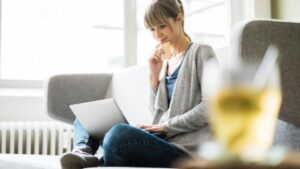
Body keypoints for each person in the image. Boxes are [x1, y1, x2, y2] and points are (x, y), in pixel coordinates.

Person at [60, 0, 216, 168]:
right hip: (162, 138)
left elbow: (211, 107)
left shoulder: (201, 52)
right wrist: (154, 76)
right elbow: (157, 114)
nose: (157, 34)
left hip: (184, 151)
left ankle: (99, 160)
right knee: (85, 119)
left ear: (180, 18)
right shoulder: (165, 61)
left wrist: (164, 127)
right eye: (152, 29)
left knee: (118, 134)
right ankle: (83, 151)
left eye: (162, 26)